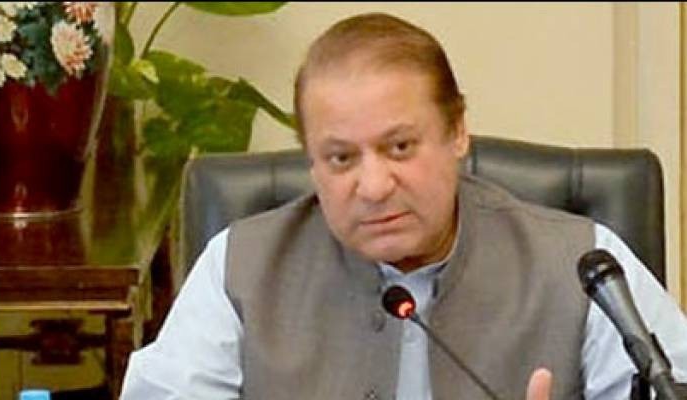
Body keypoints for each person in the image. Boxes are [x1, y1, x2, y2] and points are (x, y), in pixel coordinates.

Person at [120, 12, 687, 400]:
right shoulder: (239, 268)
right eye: (341, 158)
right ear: (311, 162)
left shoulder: (583, 264)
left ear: (457, 132)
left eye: (399, 148)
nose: (373, 186)